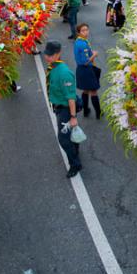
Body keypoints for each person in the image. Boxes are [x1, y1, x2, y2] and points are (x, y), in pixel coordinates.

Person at [43, 41, 82, 178]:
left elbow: (71, 98)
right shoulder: (53, 66)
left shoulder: (64, 73)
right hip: (59, 107)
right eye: (46, 54)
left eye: (51, 55)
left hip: (65, 110)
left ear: (58, 53)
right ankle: (76, 149)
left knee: (63, 140)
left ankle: (75, 164)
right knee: (68, 136)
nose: (47, 57)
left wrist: (73, 117)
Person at [74, 24, 101, 119]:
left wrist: (90, 53)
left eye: (86, 30)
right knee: (93, 91)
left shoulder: (79, 41)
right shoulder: (83, 44)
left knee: (85, 90)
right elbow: (85, 62)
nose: (86, 32)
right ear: (78, 33)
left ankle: (86, 110)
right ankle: (98, 112)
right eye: (83, 30)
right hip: (86, 70)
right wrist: (94, 55)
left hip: (80, 70)